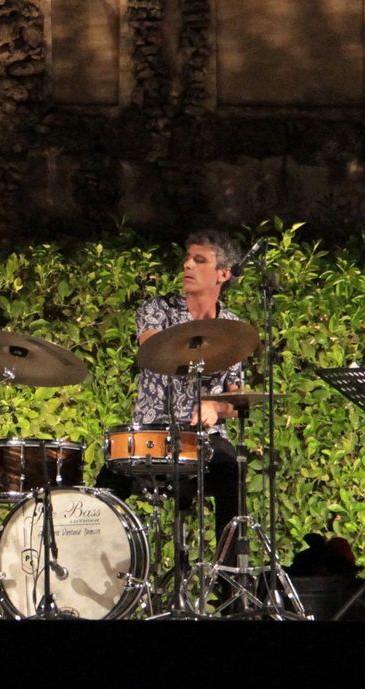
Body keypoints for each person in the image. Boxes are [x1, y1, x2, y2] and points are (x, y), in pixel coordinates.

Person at [101, 231, 247, 556]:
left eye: (199, 260)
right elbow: (153, 347)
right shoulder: (158, 310)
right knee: (103, 491)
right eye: (187, 258)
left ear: (223, 274)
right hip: (152, 431)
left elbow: (236, 400)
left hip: (204, 440)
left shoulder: (235, 328)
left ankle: (229, 586)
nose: (187, 265)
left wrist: (215, 407)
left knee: (232, 476)